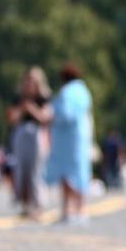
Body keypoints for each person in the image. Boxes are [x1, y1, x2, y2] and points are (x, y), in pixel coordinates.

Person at [45, 64, 94, 224]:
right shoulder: (84, 91)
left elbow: (65, 114)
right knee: (81, 173)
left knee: (67, 175)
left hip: (66, 140)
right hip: (81, 137)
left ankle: (68, 210)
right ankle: (82, 209)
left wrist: (51, 117)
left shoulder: (67, 92)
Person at [6, 67, 52, 216]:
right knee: (21, 169)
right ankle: (25, 204)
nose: (28, 84)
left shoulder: (43, 98)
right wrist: (22, 108)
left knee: (35, 170)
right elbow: (12, 118)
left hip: (37, 134)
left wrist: (31, 109)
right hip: (20, 134)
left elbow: (45, 118)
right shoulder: (18, 98)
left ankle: (38, 204)